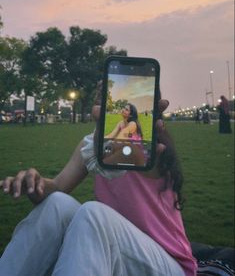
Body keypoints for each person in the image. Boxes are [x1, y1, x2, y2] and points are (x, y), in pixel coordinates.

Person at [0, 83, 197, 276]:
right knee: (57, 203)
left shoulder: (155, 149)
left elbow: (131, 162)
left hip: (169, 264)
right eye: (101, 93)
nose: (100, 95)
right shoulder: (93, 145)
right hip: (115, 249)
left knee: (93, 214)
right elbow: (58, 186)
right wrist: (36, 184)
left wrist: (127, 144)